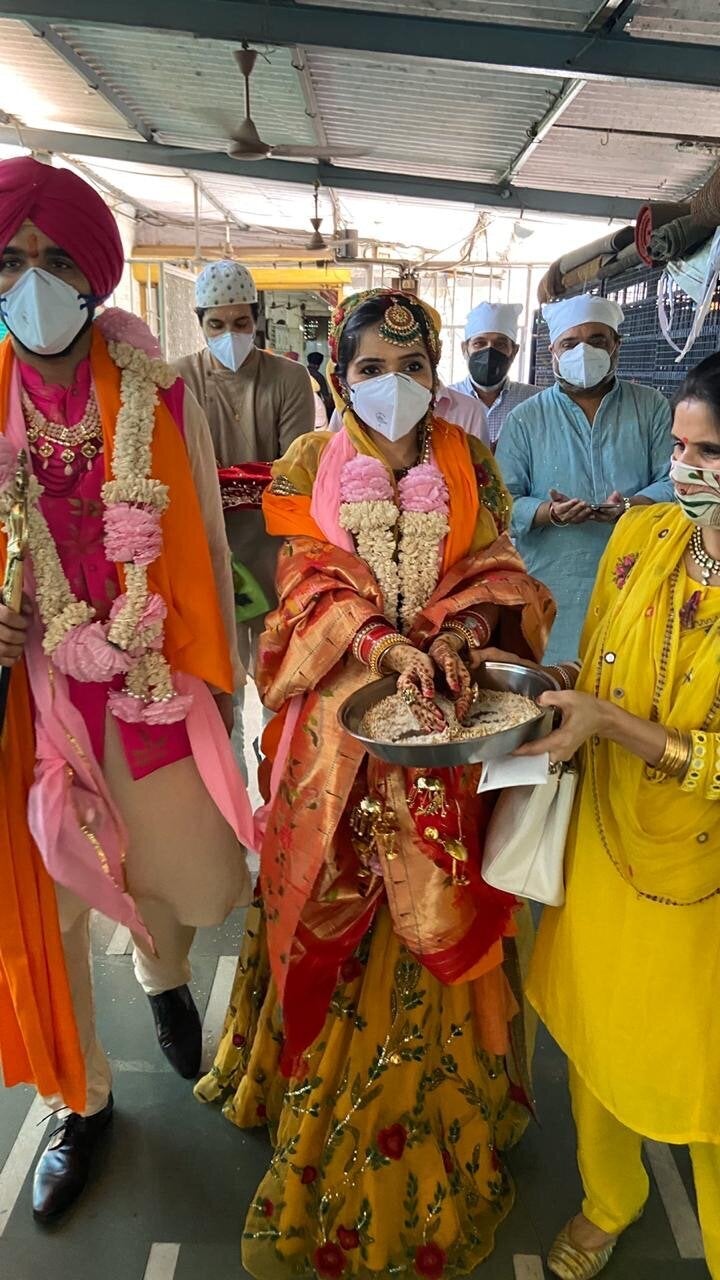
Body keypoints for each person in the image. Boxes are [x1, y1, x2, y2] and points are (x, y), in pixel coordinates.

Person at [195, 288, 557, 1278]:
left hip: (445, 717)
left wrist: (461, 631)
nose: (390, 385)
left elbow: (497, 564)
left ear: (434, 370)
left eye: (410, 365)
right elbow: (297, 577)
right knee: (328, 901)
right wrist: (377, 640)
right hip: (338, 730)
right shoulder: (307, 464)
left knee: (436, 908)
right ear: (337, 373)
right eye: (368, 368)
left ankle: (441, 1112)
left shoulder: (469, 458)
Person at [0, 157, 253, 1221]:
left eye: (58, 260)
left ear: (98, 276)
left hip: (153, 682)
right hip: (31, 696)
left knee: (179, 874)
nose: (34, 282)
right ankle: (86, 1098)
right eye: (11, 261)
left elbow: (196, 535)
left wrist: (215, 685)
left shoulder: (165, 391)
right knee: (50, 906)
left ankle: (162, 976)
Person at [478, 350, 720, 1277]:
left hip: (699, 884)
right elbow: (608, 660)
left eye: (709, 454)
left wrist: (614, 725)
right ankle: (608, 1200)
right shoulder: (643, 538)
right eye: (678, 448)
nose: (685, 471)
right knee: (593, 1045)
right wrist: (556, 688)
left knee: (701, 1076)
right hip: (604, 840)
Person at [173, 262, 315, 760]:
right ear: (200, 323)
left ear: (256, 320)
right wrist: (247, 477)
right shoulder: (175, 380)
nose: (228, 334)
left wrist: (212, 477)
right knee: (217, 686)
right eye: (217, 324)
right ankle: (226, 798)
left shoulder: (290, 378)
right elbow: (174, 476)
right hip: (207, 555)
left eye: (239, 323)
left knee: (280, 680)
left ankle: (278, 785)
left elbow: (292, 472)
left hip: (277, 553)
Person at [496, 295, 674, 663]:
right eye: (570, 343)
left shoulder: (650, 405)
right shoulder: (526, 418)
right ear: (553, 353)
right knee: (555, 687)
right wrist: (549, 512)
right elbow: (501, 502)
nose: (584, 351)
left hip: (636, 578)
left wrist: (630, 506)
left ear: (616, 347)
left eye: (597, 341)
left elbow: (674, 482)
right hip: (553, 583)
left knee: (626, 684)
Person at [450, 301, 537, 449]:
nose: (489, 351)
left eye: (500, 344)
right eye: (479, 343)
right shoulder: (447, 400)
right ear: (465, 349)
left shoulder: (534, 400)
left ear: (514, 352)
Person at [327, 379, 490, 442]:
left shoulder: (471, 410)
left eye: (412, 366)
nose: (395, 381)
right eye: (371, 369)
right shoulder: (347, 414)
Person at [307, 348, 333, 415]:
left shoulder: (302, 372)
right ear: (319, 364)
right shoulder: (319, 377)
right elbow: (326, 397)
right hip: (315, 408)